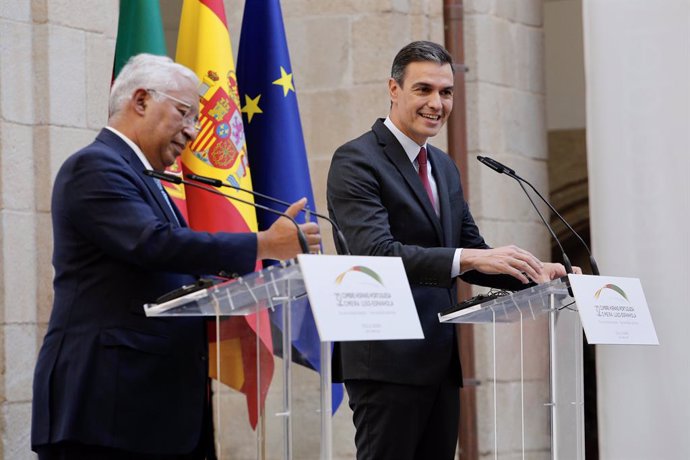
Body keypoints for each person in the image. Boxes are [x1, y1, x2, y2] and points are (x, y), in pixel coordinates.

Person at [31, 54, 320, 460]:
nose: (193, 131)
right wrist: (264, 244)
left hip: (155, 410)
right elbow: (154, 244)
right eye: (185, 113)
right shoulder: (94, 167)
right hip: (108, 408)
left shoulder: (142, 175)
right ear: (142, 100)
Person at [326, 41, 568, 460]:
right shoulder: (356, 160)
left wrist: (534, 272)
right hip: (386, 359)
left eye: (446, 92)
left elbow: (473, 251)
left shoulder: (442, 166)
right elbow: (375, 253)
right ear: (393, 88)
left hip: (438, 360)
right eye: (424, 89)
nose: (437, 103)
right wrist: (469, 258)